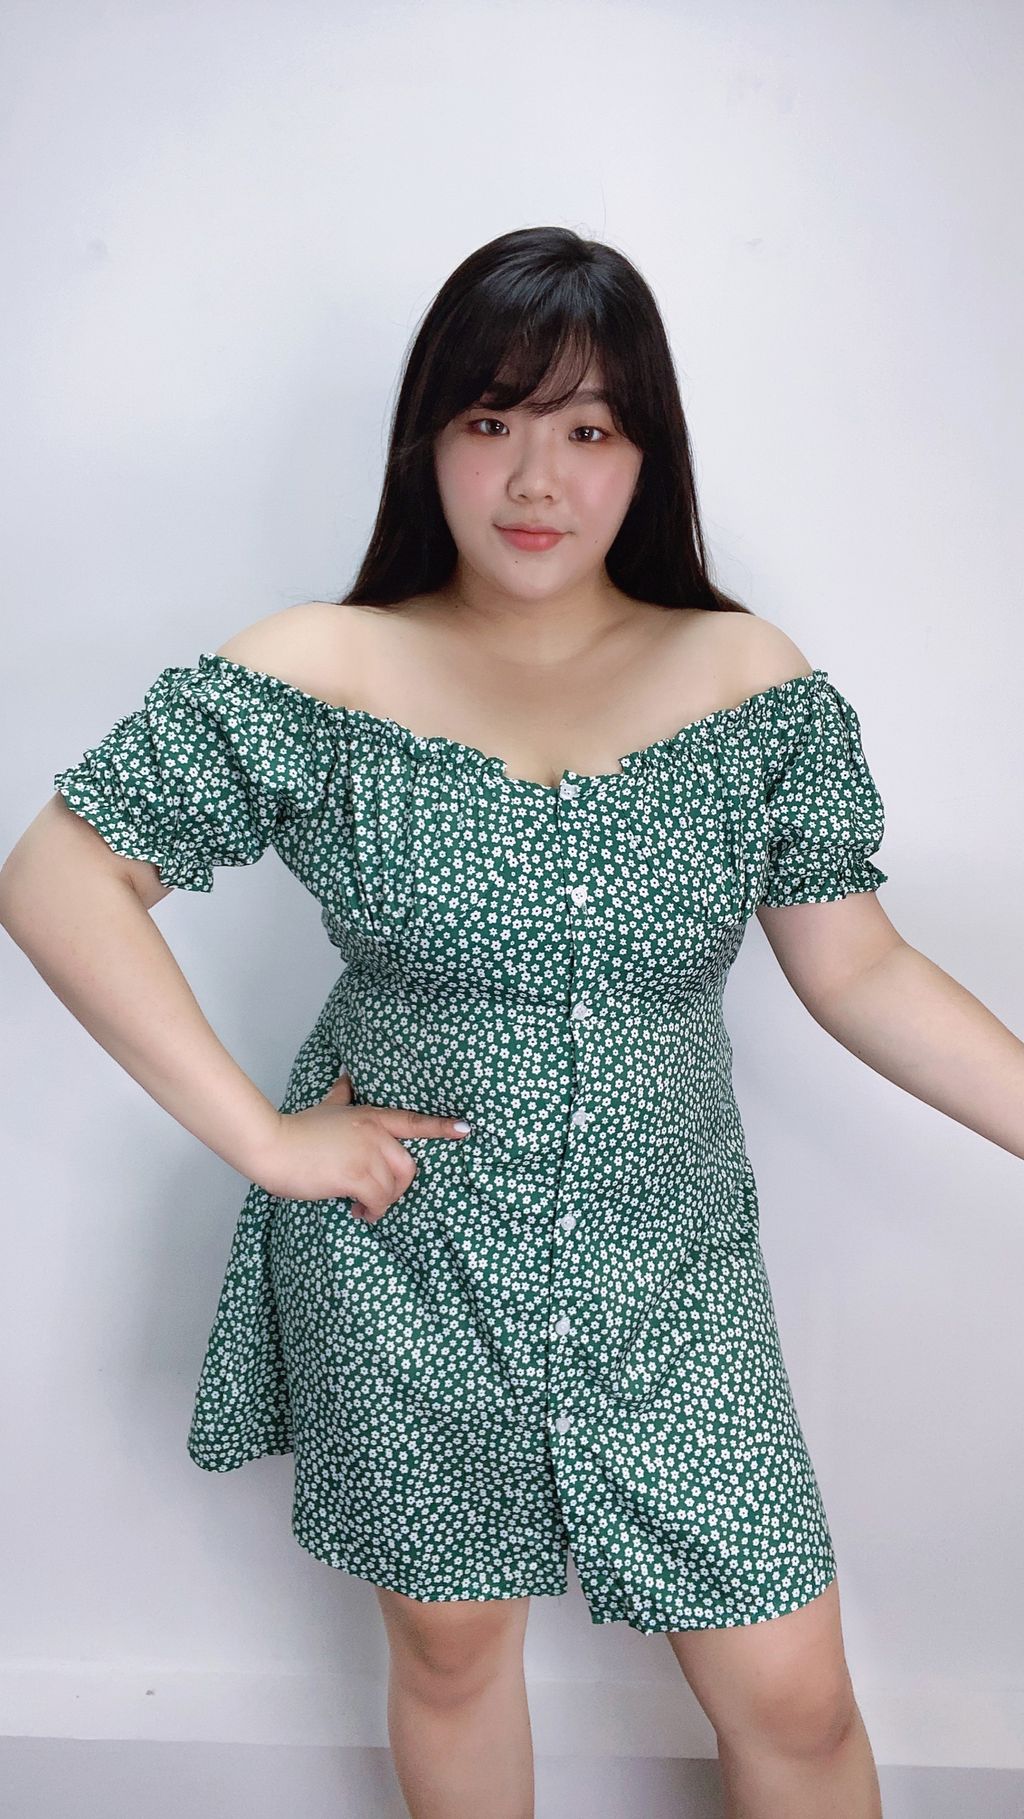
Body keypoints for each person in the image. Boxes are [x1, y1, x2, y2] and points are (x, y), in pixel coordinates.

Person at [8, 224, 1016, 1819]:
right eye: (492, 420)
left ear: (647, 456)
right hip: (406, 1261)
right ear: (429, 440)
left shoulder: (744, 680)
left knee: (794, 1696)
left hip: (672, 1279)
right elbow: (60, 875)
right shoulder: (324, 670)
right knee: (454, 1654)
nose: (536, 478)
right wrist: (266, 1140)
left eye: (589, 429)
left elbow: (860, 971)